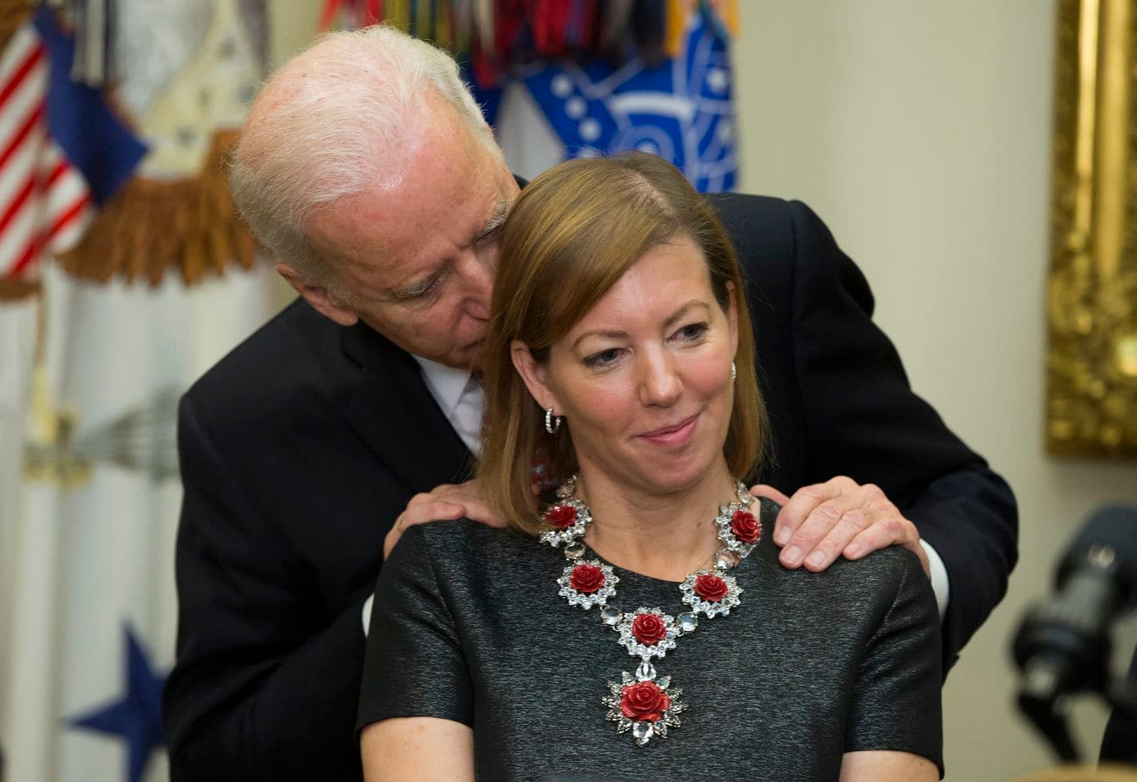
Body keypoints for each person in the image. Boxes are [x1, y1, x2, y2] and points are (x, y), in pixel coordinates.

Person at [162, 25, 1016, 780]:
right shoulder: (248, 423)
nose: (495, 293)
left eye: (494, 225)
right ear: (324, 293)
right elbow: (221, 753)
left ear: (489, 143)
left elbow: (966, 498)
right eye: (424, 285)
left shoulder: (759, 259)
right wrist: (401, 613)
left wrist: (889, 580)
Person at [358, 152, 943, 780]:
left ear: (734, 319)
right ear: (539, 376)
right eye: (607, 354)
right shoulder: (445, 578)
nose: (663, 386)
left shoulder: (866, 587)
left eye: (689, 332)